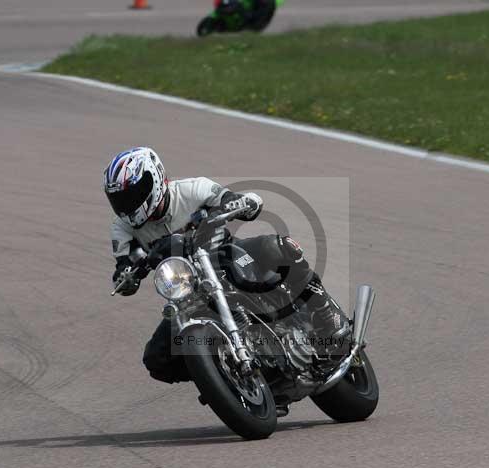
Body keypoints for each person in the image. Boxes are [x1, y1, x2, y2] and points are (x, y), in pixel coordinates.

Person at [104, 147, 348, 384]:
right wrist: (126, 277)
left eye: (134, 194)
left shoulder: (192, 189)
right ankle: (223, 372)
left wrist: (241, 203)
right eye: (121, 199)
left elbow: (228, 198)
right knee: (157, 360)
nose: (128, 203)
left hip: (225, 256)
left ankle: (328, 316)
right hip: (186, 289)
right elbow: (124, 265)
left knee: (278, 247)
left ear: (154, 179)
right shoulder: (123, 227)